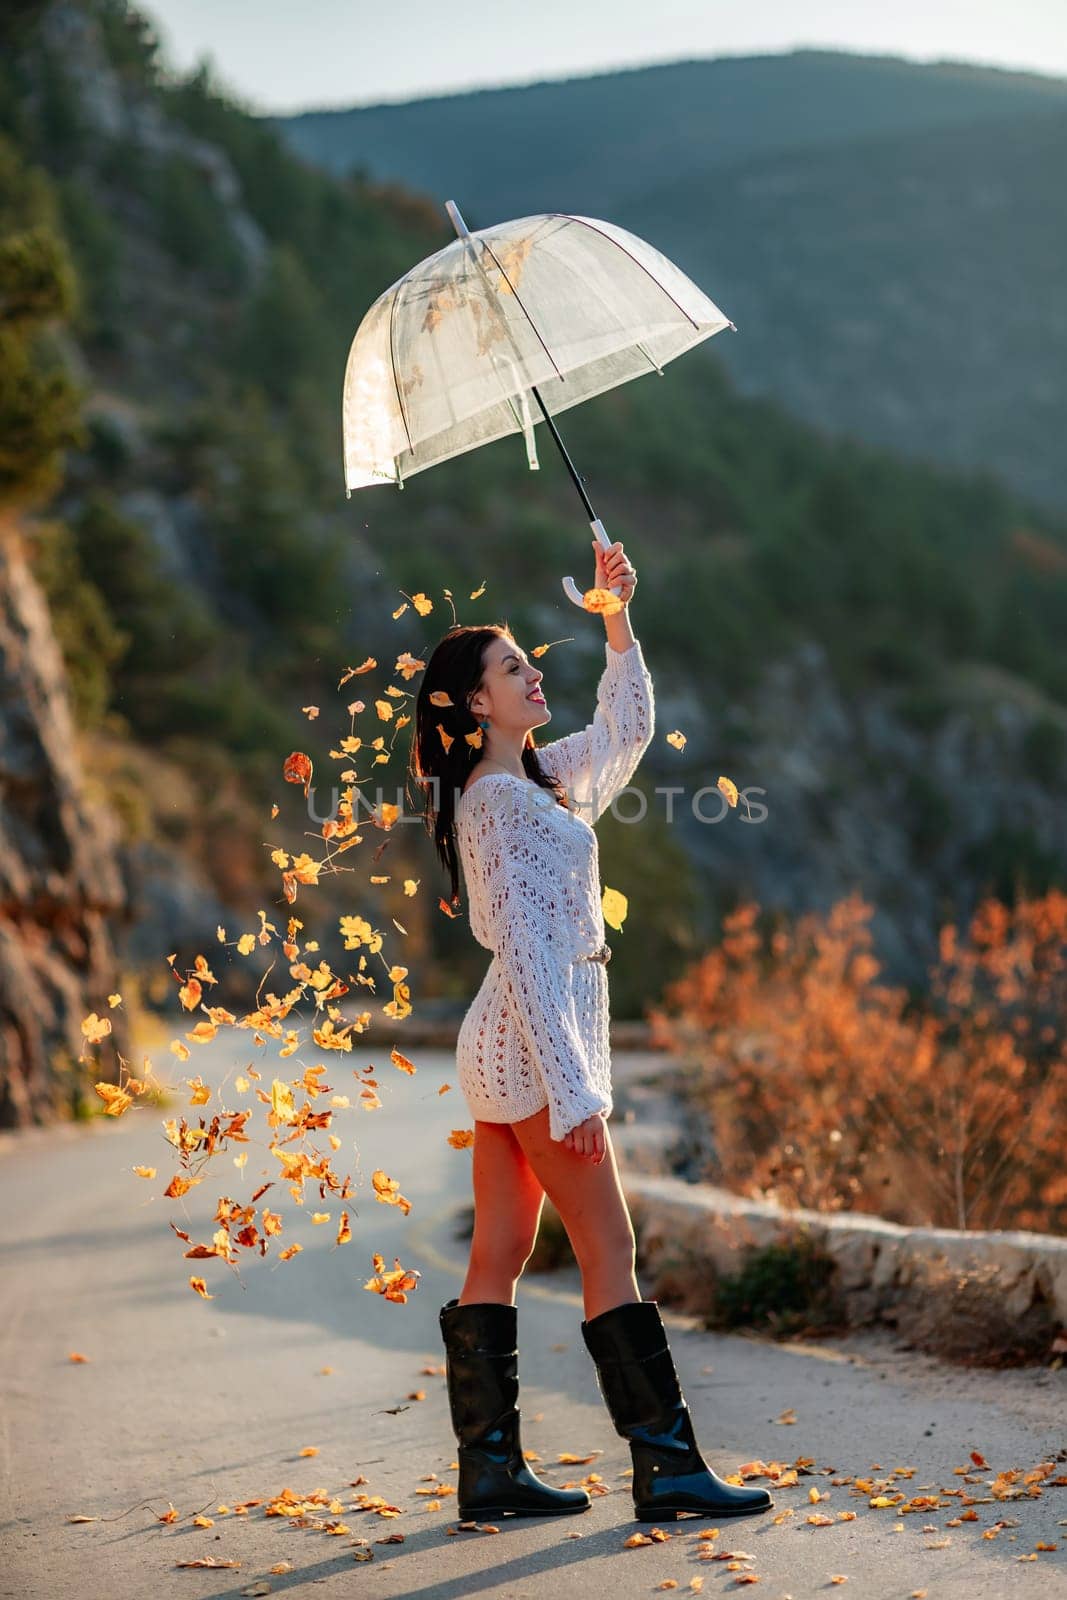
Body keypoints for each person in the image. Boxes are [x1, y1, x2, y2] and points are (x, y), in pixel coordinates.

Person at [408, 538, 772, 1525]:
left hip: (503, 1053)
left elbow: (626, 726)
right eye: (513, 667)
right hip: (532, 1053)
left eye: (530, 660)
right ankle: (668, 1468)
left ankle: (489, 1474)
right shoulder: (495, 802)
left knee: (498, 1250)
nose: (534, 673)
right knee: (606, 1247)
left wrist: (613, 612)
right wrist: (573, 1094)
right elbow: (524, 953)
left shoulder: (532, 779)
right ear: (477, 702)